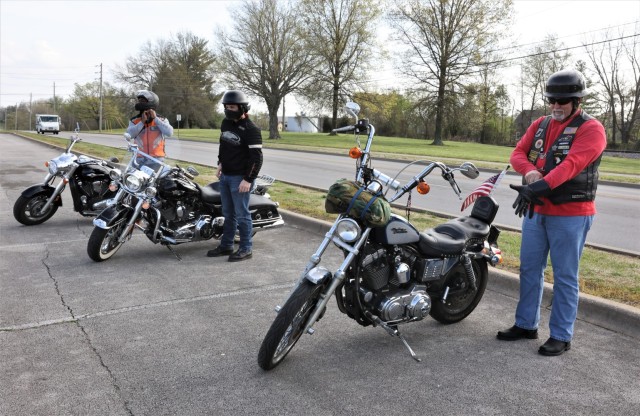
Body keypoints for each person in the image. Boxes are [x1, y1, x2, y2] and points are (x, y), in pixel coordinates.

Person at [497, 69, 607, 356]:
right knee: (530, 269)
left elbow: (572, 165)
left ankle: (561, 334)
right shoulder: (540, 124)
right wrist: (531, 173)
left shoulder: (591, 129)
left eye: (563, 100)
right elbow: (518, 153)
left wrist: (539, 186)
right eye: (552, 100)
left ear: (577, 100)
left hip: (571, 213)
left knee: (565, 276)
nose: (556, 106)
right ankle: (526, 324)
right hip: (537, 211)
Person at [207, 90, 263, 262]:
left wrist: (248, 179)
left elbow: (257, 158)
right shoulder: (226, 123)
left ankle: (246, 248)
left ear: (242, 107)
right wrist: (220, 163)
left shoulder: (251, 129)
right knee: (228, 213)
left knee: (242, 214)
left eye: (232, 107)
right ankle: (226, 245)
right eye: (226, 107)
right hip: (225, 176)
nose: (228, 110)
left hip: (240, 178)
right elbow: (223, 145)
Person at [126, 90, 173, 169]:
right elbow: (130, 134)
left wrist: (155, 119)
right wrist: (142, 122)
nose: (140, 103)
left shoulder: (162, 119)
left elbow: (169, 132)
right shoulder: (134, 120)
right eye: (139, 101)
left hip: (157, 159)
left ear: (151, 102)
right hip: (139, 158)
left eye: (143, 101)